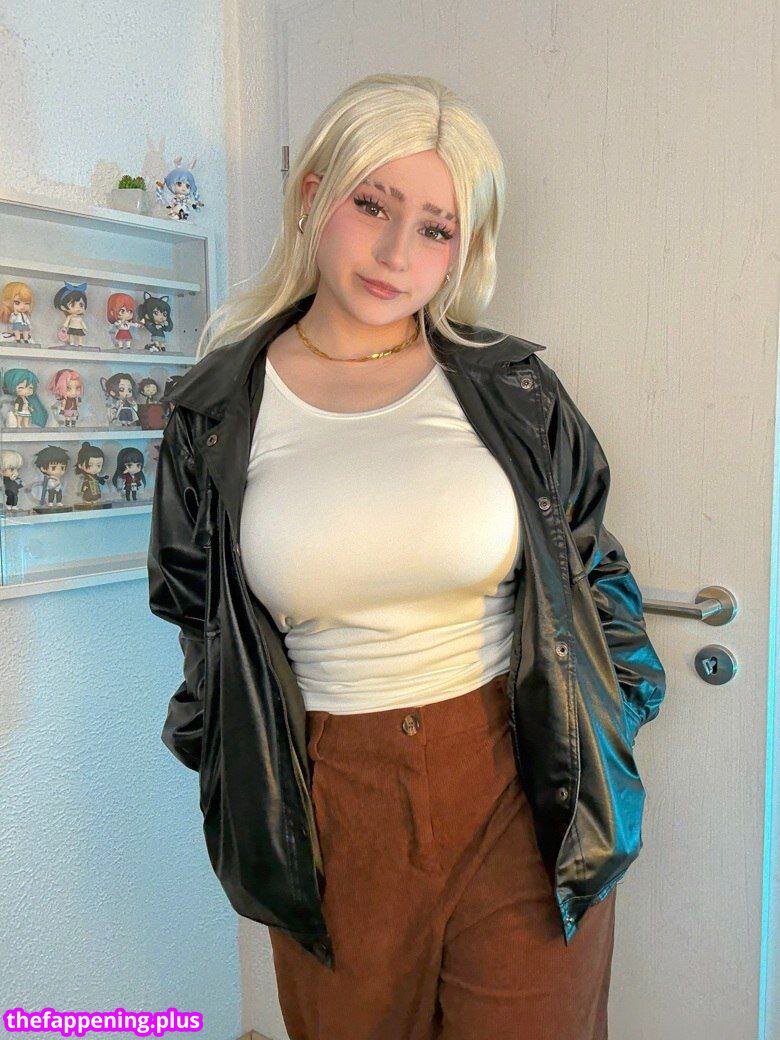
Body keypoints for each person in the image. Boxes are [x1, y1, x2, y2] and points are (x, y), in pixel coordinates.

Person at [147, 72, 666, 1040]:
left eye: (436, 227)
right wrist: (237, 772)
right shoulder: (213, 413)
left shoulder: (513, 389)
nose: (396, 253)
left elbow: (596, 571)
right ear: (314, 196)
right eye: (372, 205)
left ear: (464, 247)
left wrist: (608, 728)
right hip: (330, 804)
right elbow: (193, 614)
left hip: (521, 783)